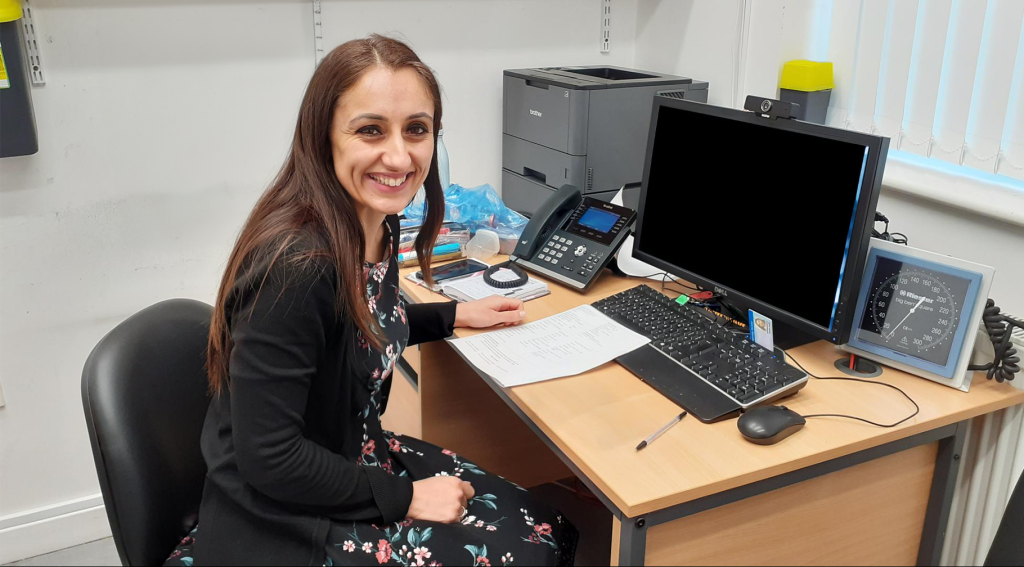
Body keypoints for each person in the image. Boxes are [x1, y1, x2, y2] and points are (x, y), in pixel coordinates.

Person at [165, 35, 577, 566]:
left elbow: (360, 324)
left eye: (417, 130)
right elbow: (269, 458)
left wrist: (453, 315)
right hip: (282, 518)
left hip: (347, 460)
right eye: (370, 130)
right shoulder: (296, 268)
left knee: (541, 524)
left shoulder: (373, 224)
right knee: (532, 548)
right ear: (324, 138)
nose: (399, 155)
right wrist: (407, 498)